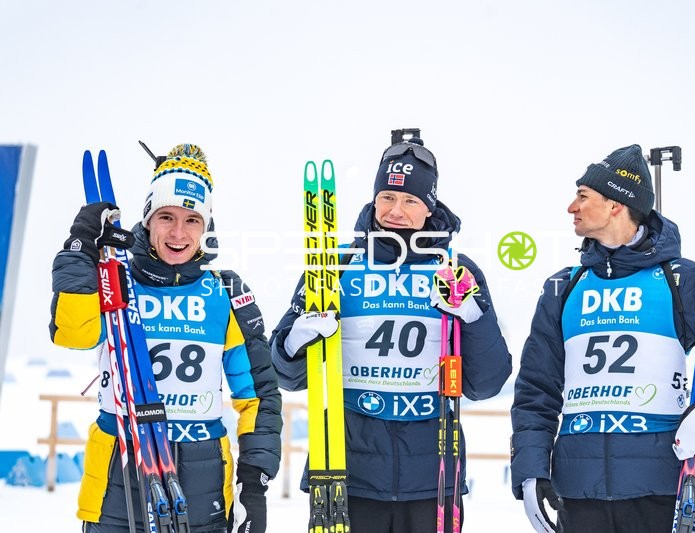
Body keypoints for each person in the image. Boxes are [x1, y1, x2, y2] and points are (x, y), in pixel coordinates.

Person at [509, 144, 695, 533]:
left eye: (583, 196)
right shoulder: (564, 287)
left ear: (616, 204)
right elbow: (536, 390)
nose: (572, 207)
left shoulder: (682, 281)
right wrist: (531, 471)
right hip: (578, 495)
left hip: (661, 494)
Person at [270, 136, 512, 532]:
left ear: (429, 206)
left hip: (431, 480)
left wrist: (473, 316)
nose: (395, 211)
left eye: (410, 200)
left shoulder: (455, 270)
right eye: (387, 197)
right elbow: (287, 375)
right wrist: (295, 342)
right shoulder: (336, 266)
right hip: (347, 473)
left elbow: (486, 384)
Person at [50, 144, 282, 532]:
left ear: (206, 227)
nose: (178, 232)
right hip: (116, 483)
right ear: (147, 220)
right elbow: (73, 334)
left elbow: (257, 396)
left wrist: (253, 484)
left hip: (204, 486)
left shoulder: (224, 293)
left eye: (192, 220)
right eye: (166, 217)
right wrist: (79, 252)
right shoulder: (116, 283)